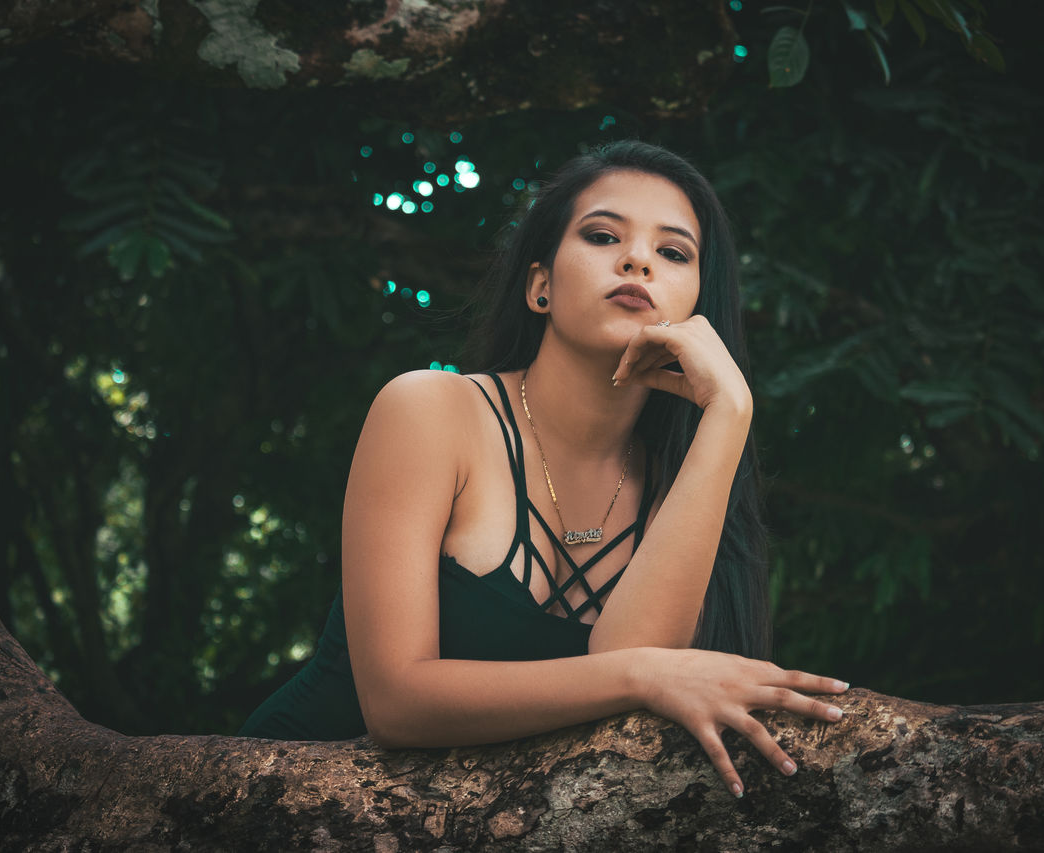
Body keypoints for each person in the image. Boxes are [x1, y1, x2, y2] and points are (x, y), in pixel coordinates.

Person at [239, 140, 847, 798]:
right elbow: (395, 702)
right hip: (277, 798)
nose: (638, 260)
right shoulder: (431, 411)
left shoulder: (681, 490)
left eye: (674, 252)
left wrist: (728, 414)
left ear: (698, 308)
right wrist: (643, 675)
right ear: (540, 286)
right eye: (603, 236)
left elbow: (627, 695)